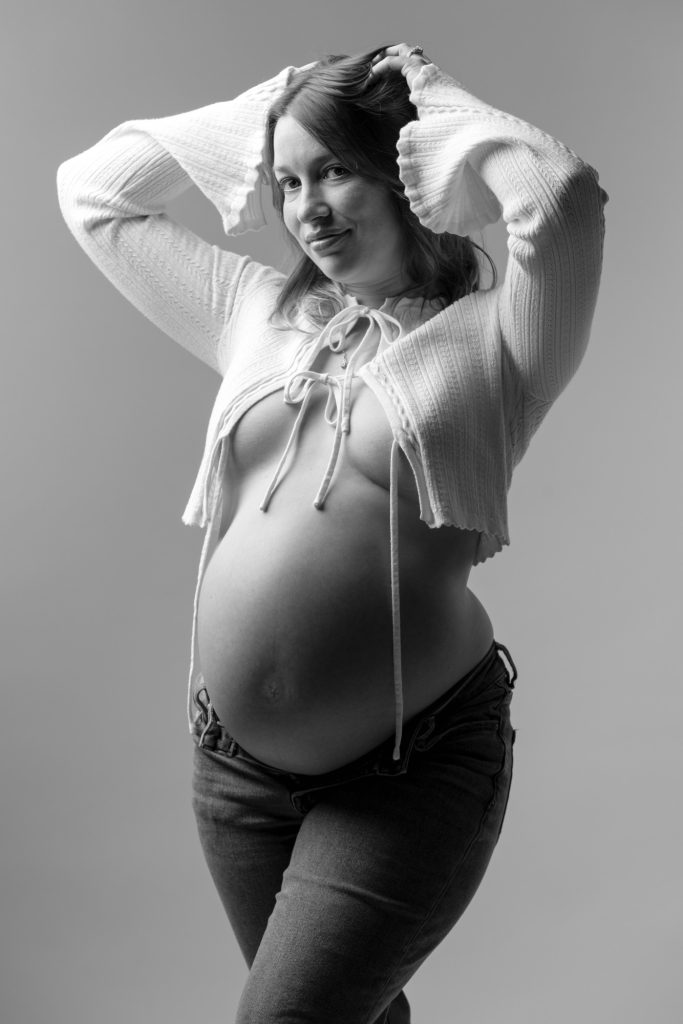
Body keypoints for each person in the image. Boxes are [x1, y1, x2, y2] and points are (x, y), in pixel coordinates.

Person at [57, 41, 606, 1023]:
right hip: (233, 769)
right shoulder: (253, 312)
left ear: (403, 170)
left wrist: (424, 97)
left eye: (337, 170)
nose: (307, 208)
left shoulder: (500, 341)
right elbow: (94, 192)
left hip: (410, 767)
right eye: (288, 182)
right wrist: (278, 103)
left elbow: (559, 198)